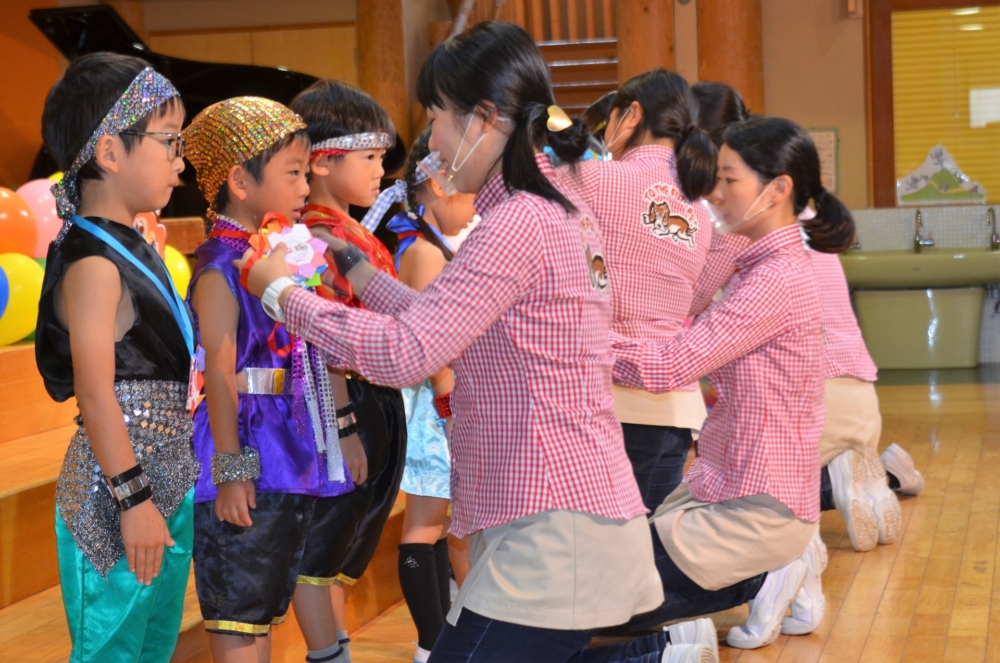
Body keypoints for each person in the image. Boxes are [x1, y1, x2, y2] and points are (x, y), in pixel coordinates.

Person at [237, 22, 721, 663]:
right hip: (560, 515)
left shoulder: (519, 220)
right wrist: (354, 269)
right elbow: (445, 319)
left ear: (484, 119)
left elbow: (408, 352)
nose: (433, 140)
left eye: (438, 117)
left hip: (554, 527)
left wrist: (282, 294)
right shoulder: (546, 206)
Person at [602, 117, 856, 653]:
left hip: (754, 507)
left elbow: (670, 366)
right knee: (592, 594)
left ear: (778, 189)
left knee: (587, 602)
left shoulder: (774, 279)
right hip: (736, 486)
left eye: (728, 179)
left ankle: (754, 581)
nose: (714, 193)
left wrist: (581, 341)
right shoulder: (760, 264)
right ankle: (697, 622)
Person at [36, 53, 199, 662]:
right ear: (109, 151)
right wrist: (133, 500)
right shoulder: (94, 263)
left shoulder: (132, 245)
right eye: (169, 141)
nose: (180, 160)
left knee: (152, 650)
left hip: (166, 484)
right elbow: (96, 392)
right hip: (116, 496)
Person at [183, 96, 355, 663]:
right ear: (240, 180)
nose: (306, 187)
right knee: (239, 608)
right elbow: (219, 373)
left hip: (286, 442)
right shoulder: (218, 266)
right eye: (294, 173)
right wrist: (231, 471)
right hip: (247, 446)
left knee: (263, 608)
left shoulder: (279, 252)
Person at [556, 69, 716, 510]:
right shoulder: (700, 211)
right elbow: (695, 301)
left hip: (609, 400)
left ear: (631, 115)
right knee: (644, 542)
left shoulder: (593, 179)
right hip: (678, 409)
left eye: (609, 119)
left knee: (600, 545)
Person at [289, 80, 409, 662]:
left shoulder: (347, 228)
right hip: (347, 398)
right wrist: (342, 425)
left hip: (376, 396)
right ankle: (329, 652)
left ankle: (339, 647)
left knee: (346, 545)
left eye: (382, 158)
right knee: (326, 543)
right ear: (322, 162)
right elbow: (325, 335)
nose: (381, 171)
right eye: (371, 158)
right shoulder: (314, 235)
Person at [387, 129, 476, 662]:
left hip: (446, 403)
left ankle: (443, 641)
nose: (476, 206)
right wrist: (449, 406)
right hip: (434, 408)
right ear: (439, 184)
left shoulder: (433, 245)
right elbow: (429, 345)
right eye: (470, 191)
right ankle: (430, 645)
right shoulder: (423, 252)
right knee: (424, 525)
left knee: (443, 526)